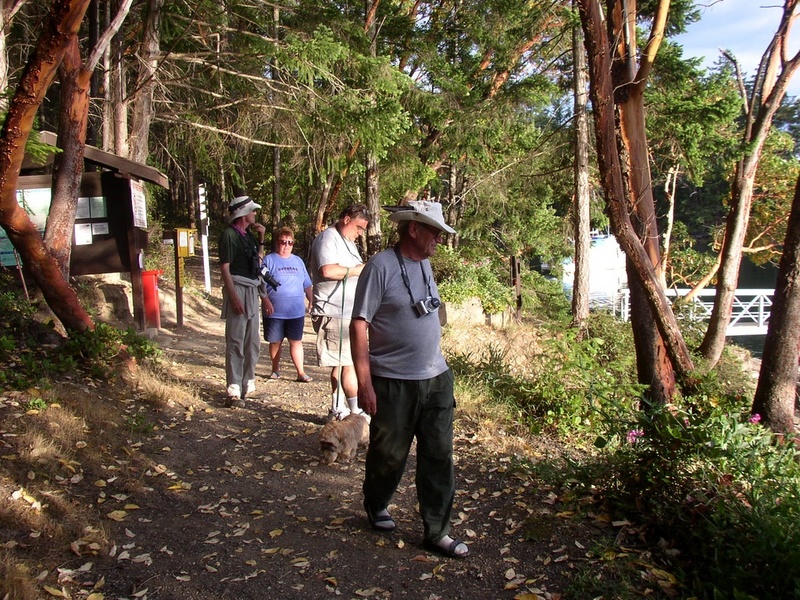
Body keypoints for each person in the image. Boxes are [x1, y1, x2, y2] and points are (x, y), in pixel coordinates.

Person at [350, 200, 469, 560]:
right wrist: (365, 383)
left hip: (436, 378)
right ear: (413, 229)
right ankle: (377, 503)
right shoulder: (381, 267)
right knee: (389, 454)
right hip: (393, 381)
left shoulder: (426, 263)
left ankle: (437, 531)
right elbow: (359, 324)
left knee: (438, 455)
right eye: (434, 231)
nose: (439, 239)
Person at [310, 203, 371, 420]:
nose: (360, 233)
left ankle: (340, 408)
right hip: (333, 312)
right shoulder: (328, 239)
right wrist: (358, 270)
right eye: (358, 228)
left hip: (347, 312)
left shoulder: (347, 242)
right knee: (347, 362)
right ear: (346, 219)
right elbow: (327, 270)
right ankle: (351, 411)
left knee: (344, 361)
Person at [219, 195, 268, 408]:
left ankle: (248, 382)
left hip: (251, 289)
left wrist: (262, 239)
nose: (255, 214)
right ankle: (233, 389)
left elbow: (257, 263)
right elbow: (225, 268)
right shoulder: (229, 235)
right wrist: (233, 297)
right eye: (253, 210)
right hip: (238, 287)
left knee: (252, 342)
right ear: (243, 213)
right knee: (236, 340)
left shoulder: (248, 236)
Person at [261, 226, 314, 383]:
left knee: (296, 341)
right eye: (283, 242)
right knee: (275, 341)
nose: (286, 245)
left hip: (295, 311)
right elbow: (261, 284)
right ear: (277, 242)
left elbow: (307, 284)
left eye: (290, 242)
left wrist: (311, 300)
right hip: (275, 310)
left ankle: (301, 372)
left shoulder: (298, 261)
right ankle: (275, 369)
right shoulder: (269, 260)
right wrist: (266, 301)